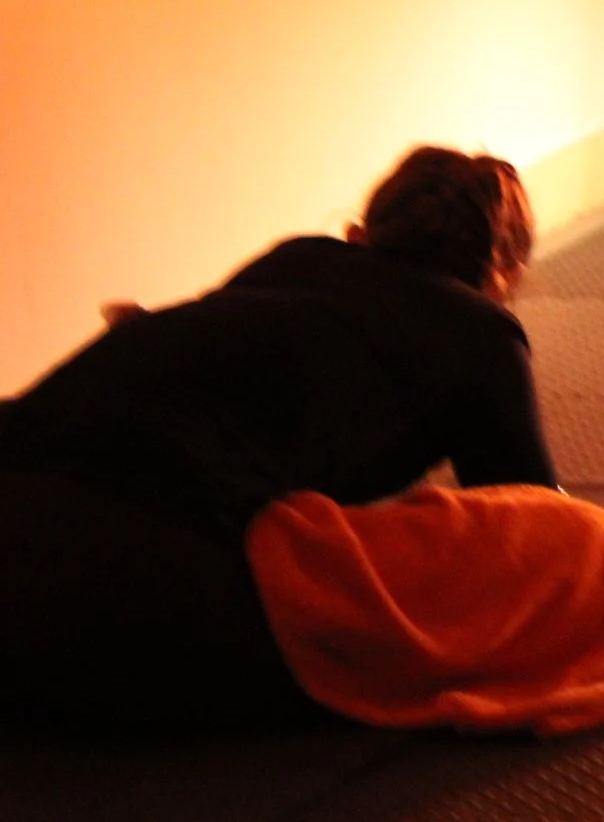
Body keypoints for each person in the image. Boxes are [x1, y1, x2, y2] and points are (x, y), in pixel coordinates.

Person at [0, 147, 559, 730]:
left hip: (16, 472)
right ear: (507, 273)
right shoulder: (481, 334)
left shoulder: (298, 258)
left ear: (359, 232)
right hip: (120, 569)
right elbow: (532, 519)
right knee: (585, 558)